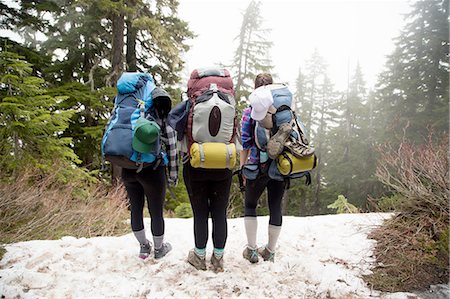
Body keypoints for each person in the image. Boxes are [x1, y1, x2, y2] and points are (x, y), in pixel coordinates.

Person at [176, 67, 235, 272]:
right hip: (223, 163)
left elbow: (176, 130)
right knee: (220, 213)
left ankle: (199, 256)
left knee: (200, 213)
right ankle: (218, 259)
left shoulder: (189, 104)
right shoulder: (229, 103)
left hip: (195, 164)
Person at [121, 87, 178, 260]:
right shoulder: (161, 117)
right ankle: (159, 249)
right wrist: (173, 176)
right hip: (153, 170)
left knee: (135, 208)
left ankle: (144, 247)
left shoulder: (130, 113)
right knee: (156, 211)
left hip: (129, 168)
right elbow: (172, 149)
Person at [240, 73, 286, 263]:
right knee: (275, 207)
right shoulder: (283, 112)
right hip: (278, 167)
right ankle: (270, 251)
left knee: (250, 205)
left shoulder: (249, 112)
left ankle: (251, 250)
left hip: (255, 167)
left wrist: (242, 168)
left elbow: (245, 143)